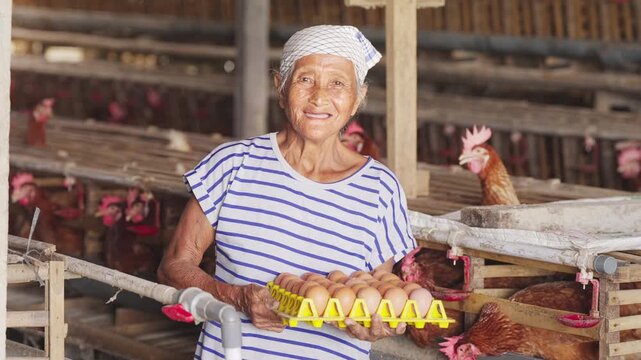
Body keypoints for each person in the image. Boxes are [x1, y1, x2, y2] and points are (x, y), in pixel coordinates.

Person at [158, 25, 417, 360]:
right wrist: (234, 297)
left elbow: (379, 291)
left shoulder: (380, 188)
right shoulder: (233, 164)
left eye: (337, 83)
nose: (319, 97)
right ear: (280, 88)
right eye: (305, 79)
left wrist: (378, 323)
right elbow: (173, 266)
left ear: (357, 99)